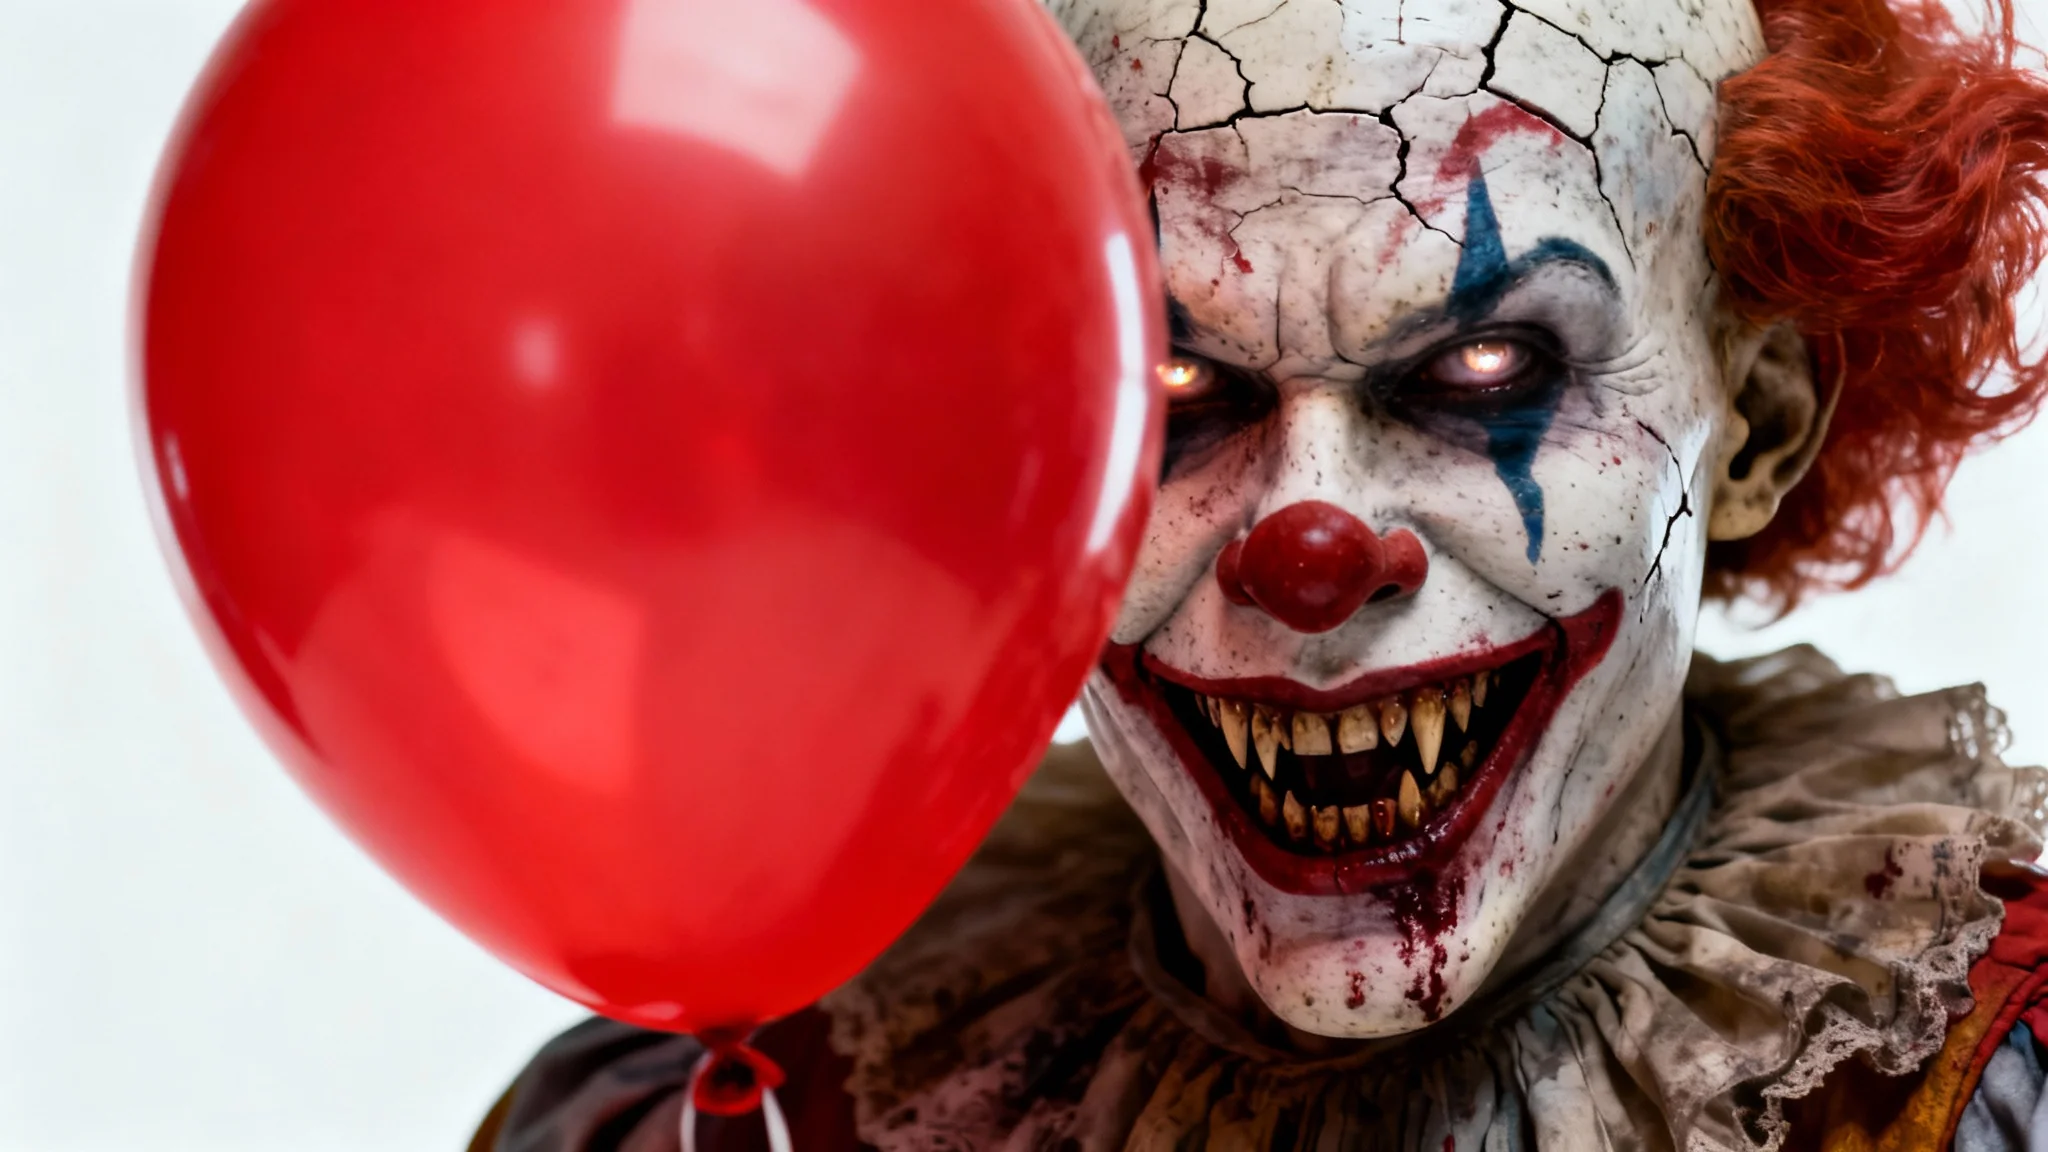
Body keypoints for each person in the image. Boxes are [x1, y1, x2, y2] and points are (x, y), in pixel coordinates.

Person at [471, 0, 2048, 1146]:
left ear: (1759, 421)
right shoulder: (767, 1098)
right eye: (1169, 392)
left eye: (1488, 366)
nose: (1309, 550)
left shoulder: (1969, 1085)